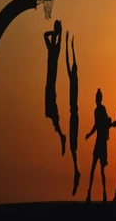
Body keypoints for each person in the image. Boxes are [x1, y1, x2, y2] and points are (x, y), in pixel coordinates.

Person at [44, 20, 66, 156]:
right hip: (48, 86)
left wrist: (58, 33)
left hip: (51, 87)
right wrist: (55, 32)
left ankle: (62, 136)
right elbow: (44, 35)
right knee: (51, 116)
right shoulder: (51, 48)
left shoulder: (55, 49)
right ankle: (61, 136)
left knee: (53, 116)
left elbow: (47, 36)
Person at [85, 89, 111, 202]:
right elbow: (96, 125)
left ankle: (104, 193)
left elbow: (106, 123)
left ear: (100, 98)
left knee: (100, 170)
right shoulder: (96, 111)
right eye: (96, 97)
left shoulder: (102, 109)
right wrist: (90, 134)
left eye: (98, 97)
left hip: (102, 142)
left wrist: (105, 133)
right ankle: (89, 192)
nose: (96, 99)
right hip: (98, 141)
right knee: (93, 168)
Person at [66, 31, 81, 196]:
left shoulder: (73, 79)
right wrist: (70, 46)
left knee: (72, 146)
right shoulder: (74, 79)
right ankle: (76, 171)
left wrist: (67, 46)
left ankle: (77, 172)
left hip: (74, 115)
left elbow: (68, 62)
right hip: (73, 115)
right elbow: (71, 62)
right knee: (72, 147)